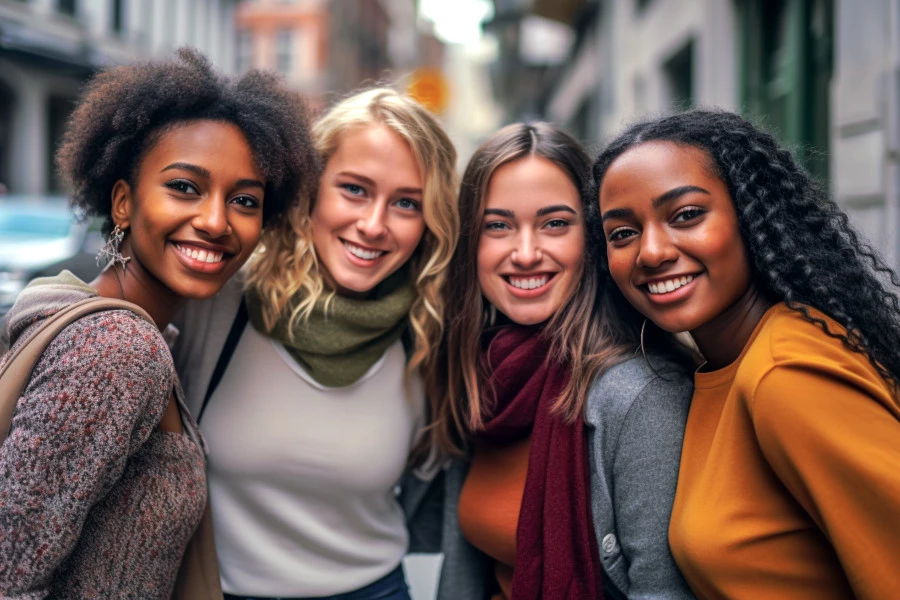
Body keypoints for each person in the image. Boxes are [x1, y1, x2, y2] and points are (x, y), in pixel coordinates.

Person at [0, 49, 316, 598]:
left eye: (244, 200)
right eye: (185, 188)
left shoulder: (149, 335)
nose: (216, 222)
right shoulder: (118, 350)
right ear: (123, 202)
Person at [594, 109, 900, 599]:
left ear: (752, 217)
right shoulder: (715, 369)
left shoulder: (786, 373)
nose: (651, 252)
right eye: (623, 233)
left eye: (686, 215)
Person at [171, 87, 458, 600]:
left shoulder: (431, 329)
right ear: (311, 189)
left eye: (407, 203)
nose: (373, 225)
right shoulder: (221, 300)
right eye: (354, 189)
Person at [427, 122, 695, 599]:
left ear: (590, 238)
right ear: (471, 243)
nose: (526, 253)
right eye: (498, 225)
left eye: (555, 223)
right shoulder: (482, 378)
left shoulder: (640, 394)